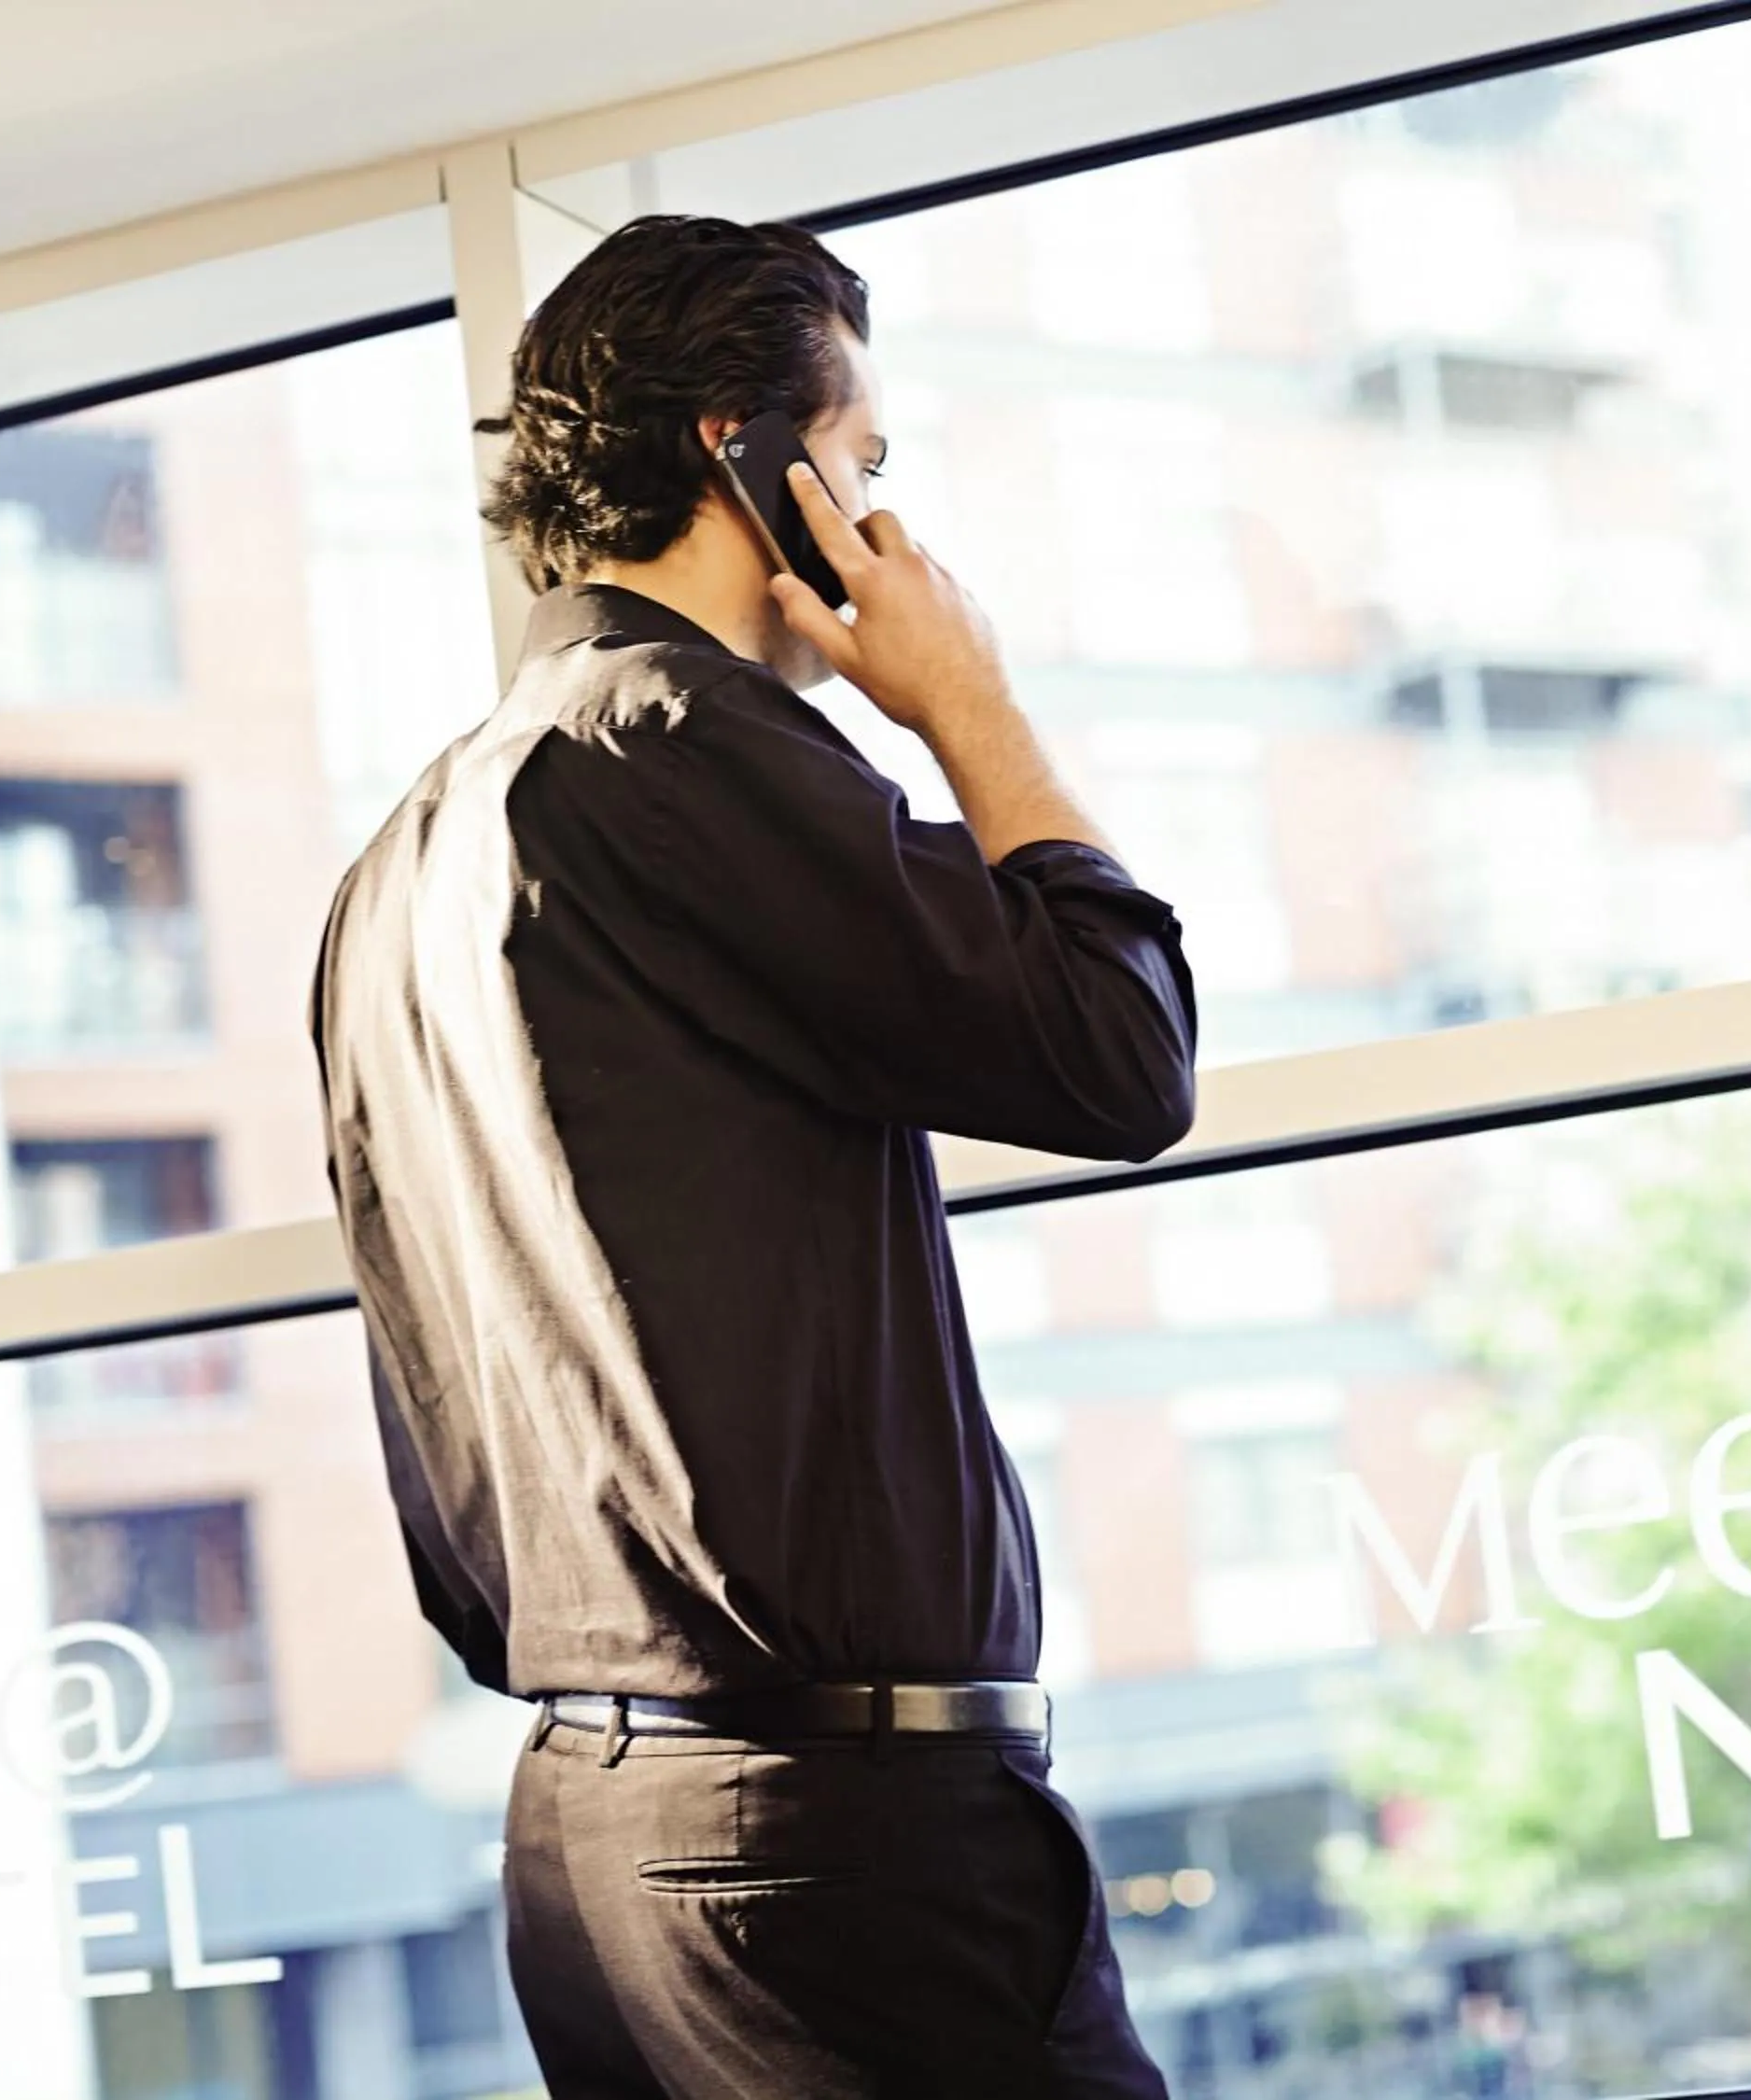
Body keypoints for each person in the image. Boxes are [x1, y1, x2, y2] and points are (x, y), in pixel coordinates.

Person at [304, 214, 1197, 2096]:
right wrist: (970, 707)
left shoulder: (398, 866)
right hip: (826, 1852)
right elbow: (1120, 1052)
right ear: (746, 460)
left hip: (593, 1845)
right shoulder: (675, 748)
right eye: (862, 468)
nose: (887, 532)